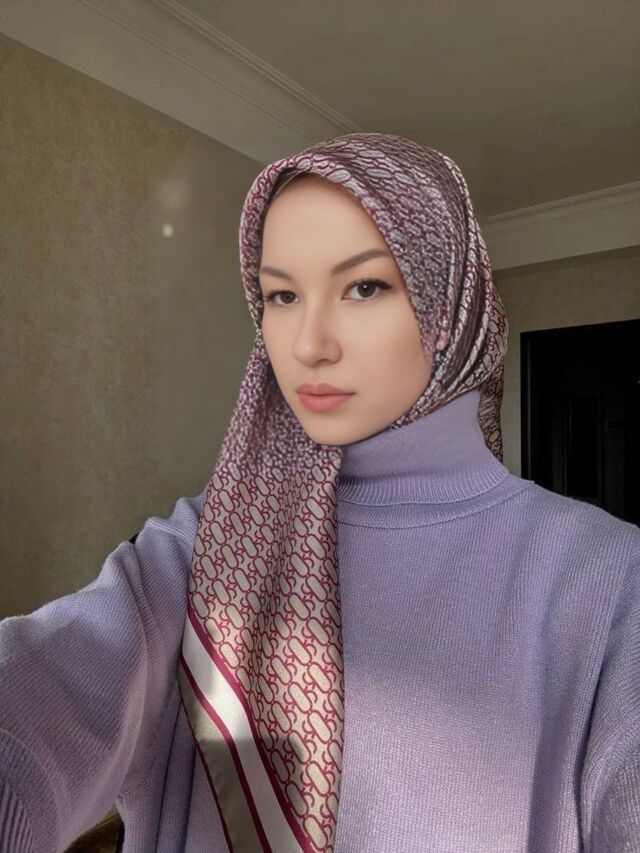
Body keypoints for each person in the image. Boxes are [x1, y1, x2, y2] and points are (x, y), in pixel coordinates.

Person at [1, 132, 638, 853]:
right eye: (281, 295)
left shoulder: (609, 580)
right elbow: (39, 696)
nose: (308, 344)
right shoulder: (202, 550)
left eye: (364, 287)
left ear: (449, 307)